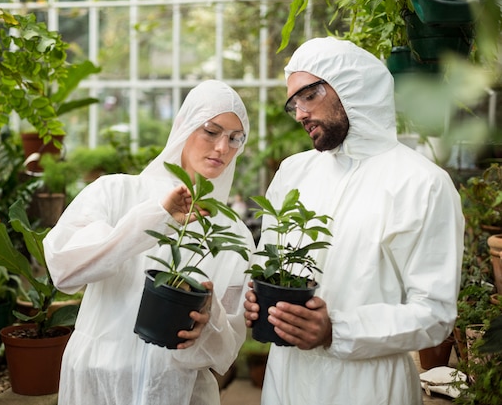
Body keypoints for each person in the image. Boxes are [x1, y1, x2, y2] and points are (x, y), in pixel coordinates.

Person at [243, 37, 464, 405]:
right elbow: (267, 263)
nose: (299, 113)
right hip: (286, 381)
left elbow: (435, 315)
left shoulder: (422, 184)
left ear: (352, 86)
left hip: (368, 388)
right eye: (293, 103)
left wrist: (336, 330)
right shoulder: (294, 173)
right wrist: (254, 297)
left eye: (309, 96)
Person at [44, 80, 255, 405]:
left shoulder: (234, 234)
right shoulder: (115, 192)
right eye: (211, 131)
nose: (222, 148)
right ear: (184, 125)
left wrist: (208, 320)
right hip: (98, 385)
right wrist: (156, 218)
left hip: (178, 393)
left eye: (234, 138)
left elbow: (226, 352)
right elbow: (65, 270)